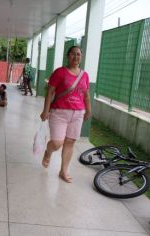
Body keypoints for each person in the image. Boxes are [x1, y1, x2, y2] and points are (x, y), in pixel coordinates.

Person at [40, 46, 91, 183]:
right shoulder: (60, 72)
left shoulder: (85, 75)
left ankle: (63, 171)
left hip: (78, 113)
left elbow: (86, 95)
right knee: (57, 143)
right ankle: (48, 152)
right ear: (68, 56)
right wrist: (45, 110)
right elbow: (50, 92)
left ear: (81, 57)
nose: (76, 57)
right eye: (73, 54)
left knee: (70, 142)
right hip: (59, 112)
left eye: (79, 54)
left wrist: (88, 111)